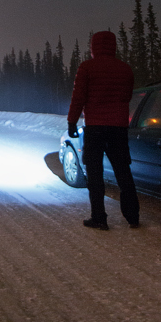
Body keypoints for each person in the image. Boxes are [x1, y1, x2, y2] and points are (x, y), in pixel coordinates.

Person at [67, 30, 139, 230]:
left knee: (95, 173)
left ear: (94, 47)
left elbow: (78, 97)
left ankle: (99, 217)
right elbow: (127, 95)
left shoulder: (87, 68)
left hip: (95, 128)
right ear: (113, 46)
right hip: (118, 128)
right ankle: (133, 217)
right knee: (124, 171)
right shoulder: (125, 69)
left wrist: (72, 122)